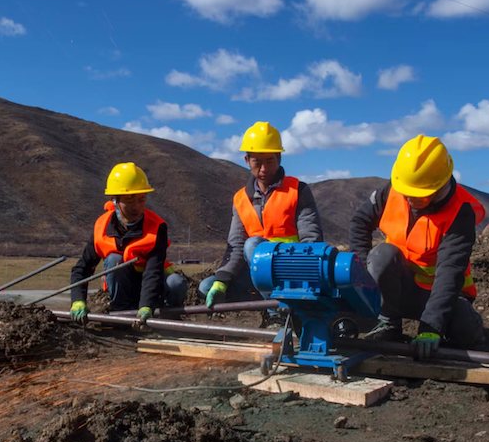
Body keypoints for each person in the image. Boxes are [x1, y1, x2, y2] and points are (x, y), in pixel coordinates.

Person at [349, 134, 486, 359]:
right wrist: (364, 278)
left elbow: (449, 273)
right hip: (396, 292)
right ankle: (388, 323)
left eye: (419, 196)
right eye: (407, 194)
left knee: (466, 331)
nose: (410, 200)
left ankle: (444, 328)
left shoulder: (460, 212)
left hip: (438, 295)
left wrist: (431, 327)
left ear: (438, 186)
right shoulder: (393, 191)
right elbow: (359, 223)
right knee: (382, 254)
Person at [199, 121, 323, 309]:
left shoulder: (298, 190)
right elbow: (236, 245)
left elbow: (311, 240)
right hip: (257, 274)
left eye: (269, 161)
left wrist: (303, 277)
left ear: (279, 158)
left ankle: (280, 312)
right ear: (247, 160)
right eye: (257, 161)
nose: (264, 168)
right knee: (207, 286)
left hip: (292, 270)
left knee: (254, 246)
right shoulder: (241, 198)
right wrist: (222, 279)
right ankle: (266, 303)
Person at [69, 162, 187, 324]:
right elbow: (82, 269)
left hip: (153, 285)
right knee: (113, 260)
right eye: (129, 200)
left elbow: (153, 270)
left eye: (141, 199)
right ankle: (121, 315)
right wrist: (77, 300)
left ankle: (167, 319)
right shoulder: (101, 227)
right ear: (115, 200)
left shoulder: (157, 226)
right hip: (123, 287)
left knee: (176, 283)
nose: (137, 207)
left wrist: (146, 306)